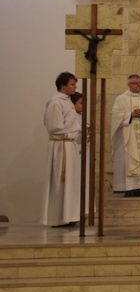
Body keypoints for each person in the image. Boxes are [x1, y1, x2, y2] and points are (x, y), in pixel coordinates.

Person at [41, 72, 81, 227]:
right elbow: (54, 126)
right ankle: (58, 217)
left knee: (71, 181)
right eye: (72, 84)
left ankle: (69, 215)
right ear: (63, 85)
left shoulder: (68, 102)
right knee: (61, 180)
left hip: (69, 144)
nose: (75, 87)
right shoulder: (56, 103)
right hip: (61, 145)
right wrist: (73, 123)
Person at [111, 75, 140, 197]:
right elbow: (116, 116)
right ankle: (128, 188)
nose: (138, 85)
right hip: (126, 137)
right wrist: (130, 115)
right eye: (135, 83)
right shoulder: (121, 99)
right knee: (128, 160)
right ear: (129, 85)